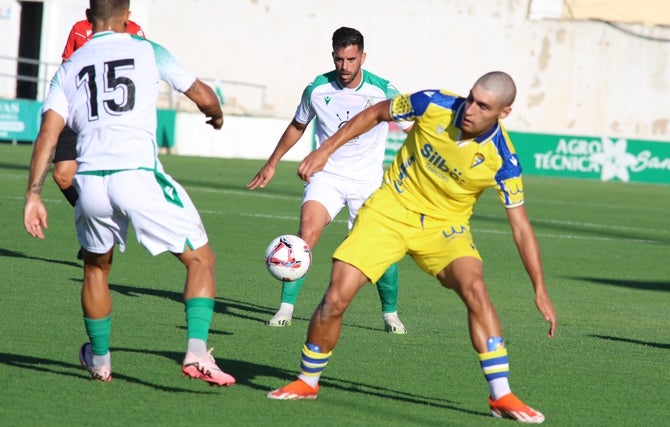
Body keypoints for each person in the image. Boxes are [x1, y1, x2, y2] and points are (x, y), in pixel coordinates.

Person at [267, 71, 557, 423]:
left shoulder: (503, 159)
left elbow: (522, 228)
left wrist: (539, 289)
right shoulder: (433, 103)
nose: (470, 109)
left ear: (503, 112)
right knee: (336, 297)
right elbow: (376, 113)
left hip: (445, 229)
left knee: (475, 289)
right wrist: (325, 150)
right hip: (388, 212)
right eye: (470, 97)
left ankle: (501, 396)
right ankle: (307, 381)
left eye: (483, 106)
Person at [23, 0, 234, 386]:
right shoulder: (147, 49)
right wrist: (216, 115)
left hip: (90, 182)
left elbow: (48, 135)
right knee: (201, 260)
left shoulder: (69, 68)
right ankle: (197, 352)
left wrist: (33, 196)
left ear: (89, 18)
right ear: (128, 17)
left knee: (95, 268)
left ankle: (100, 361)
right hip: (138, 175)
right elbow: (202, 95)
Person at [247, 27, 410, 333]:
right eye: (339, 59)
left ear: (362, 56)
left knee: (380, 248)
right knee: (306, 234)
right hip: (327, 177)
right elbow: (297, 125)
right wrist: (272, 162)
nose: (345, 67)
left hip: (368, 182)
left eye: (351, 59)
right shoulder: (317, 89)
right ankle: (285, 308)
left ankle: (390, 314)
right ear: (332, 55)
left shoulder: (383, 91)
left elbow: (412, 128)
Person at [53, 14, 146, 260]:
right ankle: (99, 224)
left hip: (110, 118)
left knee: (110, 180)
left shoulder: (134, 32)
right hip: (76, 110)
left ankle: (98, 236)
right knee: (62, 175)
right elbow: (66, 68)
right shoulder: (79, 29)